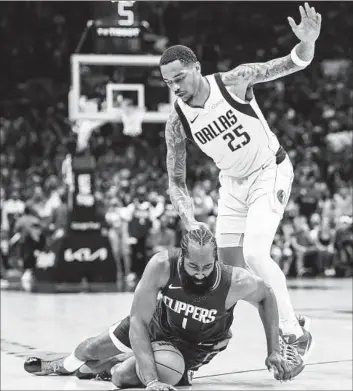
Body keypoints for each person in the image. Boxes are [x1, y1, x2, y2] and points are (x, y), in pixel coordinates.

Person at [161, 2, 320, 362]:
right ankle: (287, 315)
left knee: (255, 252)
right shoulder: (176, 121)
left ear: (196, 69)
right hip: (232, 185)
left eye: (180, 78)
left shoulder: (233, 80)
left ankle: (294, 335)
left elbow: (289, 64)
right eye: (168, 82)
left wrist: (307, 43)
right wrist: (189, 218)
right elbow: (176, 181)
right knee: (230, 272)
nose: (175, 87)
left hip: (269, 169)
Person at [24, 227, 303, 389]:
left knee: (122, 377)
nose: (200, 273)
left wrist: (273, 351)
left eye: (207, 267)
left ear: (216, 260)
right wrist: (151, 380)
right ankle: (61, 365)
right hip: (157, 325)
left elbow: (267, 295)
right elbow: (137, 321)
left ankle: (110, 367)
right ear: (182, 257)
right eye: (193, 266)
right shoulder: (161, 266)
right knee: (89, 349)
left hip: (193, 347)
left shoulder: (235, 281)